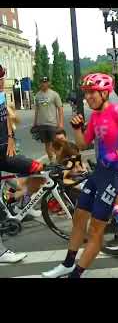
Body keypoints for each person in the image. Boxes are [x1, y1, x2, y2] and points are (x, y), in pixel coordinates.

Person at [42, 73, 118, 278]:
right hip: (100, 171)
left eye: (92, 92)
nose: (89, 97)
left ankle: (76, 273)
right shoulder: (95, 116)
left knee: (95, 230)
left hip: (115, 172)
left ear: (105, 92)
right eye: (86, 93)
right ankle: (68, 263)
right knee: (78, 217)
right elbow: (83, 144)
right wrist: (76, 128)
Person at [0, 64, 44, 263]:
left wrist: (10, 136)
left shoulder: (1, 96)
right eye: (0, 78)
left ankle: (21, 204)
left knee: (34, 170)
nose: (2, 81)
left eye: (2, 77)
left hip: (4, 149)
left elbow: (8, 118)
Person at [33, 77, 64, 163]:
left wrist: (61, 123)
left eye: (46, 82)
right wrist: (35, 123)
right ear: (40, 83)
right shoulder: (37, 95)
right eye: (42, 82)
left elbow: (60, 108)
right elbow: (37, 110)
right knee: (47, 144)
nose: (44, 84)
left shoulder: (54, 94)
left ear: (49, 83)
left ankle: (59, 161)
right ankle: (52, 162)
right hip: (42, 124)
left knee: (55, 144)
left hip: (52, 124)